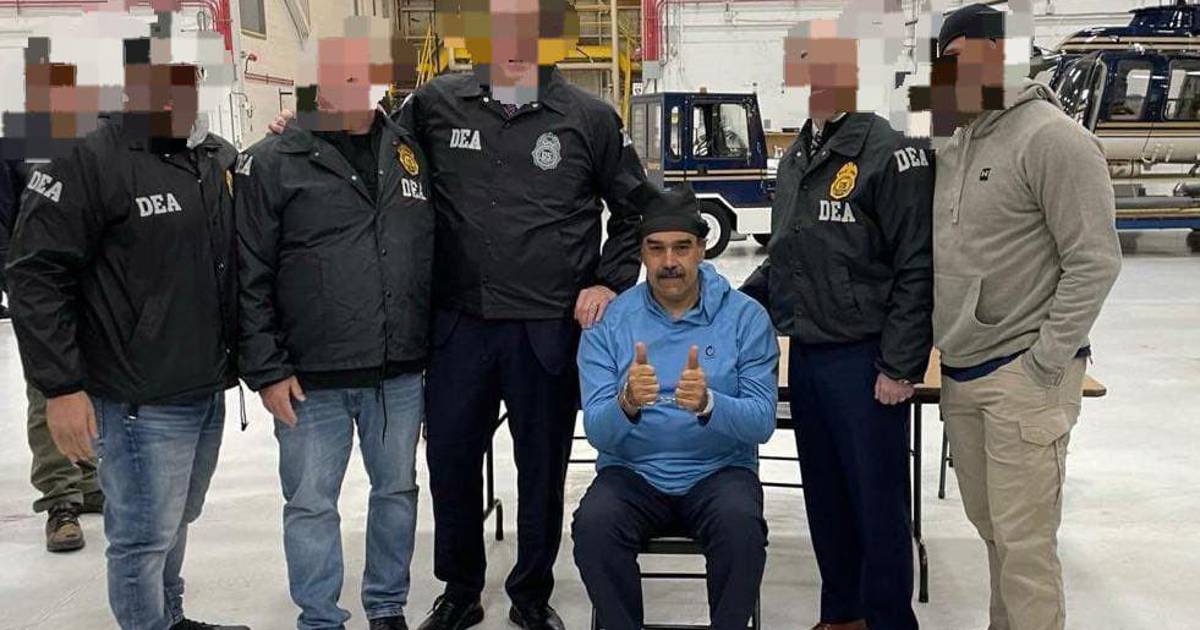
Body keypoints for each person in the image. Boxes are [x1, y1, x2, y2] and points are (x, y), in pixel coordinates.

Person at [5, 33, 246, 630]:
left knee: (176, 519)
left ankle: (170, 616)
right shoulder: (88, 157)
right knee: (142, 536)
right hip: (137, 395)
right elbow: (35, 274)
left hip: (204, 385)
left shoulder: (213, 157)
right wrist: (61, 387)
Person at [237, 21, 434, 630]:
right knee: (311, 504)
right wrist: (267, 370)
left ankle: (387, 606)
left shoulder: (408, 149)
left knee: (396, 493)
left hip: (397, 370)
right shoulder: (273, 160)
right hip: (309, 378)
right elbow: (248, 273)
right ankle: (321, 617)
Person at [741, 12, 934, 630]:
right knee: (825, 497)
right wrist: (726, 307)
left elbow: (917, 266)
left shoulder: (891, 154)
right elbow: (787, 255)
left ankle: (888, 620)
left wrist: (900, 365)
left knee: (876, 502)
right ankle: (843, 614)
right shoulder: (799, 155)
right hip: (809, 355)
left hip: (865, 358)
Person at [932, 5, 1122, 630]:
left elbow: (1095, 260)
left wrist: (1044, 361)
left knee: (1026, 546)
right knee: (993, 531)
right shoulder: (958, 139)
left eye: (956, 58)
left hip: (1023, 373)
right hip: (962, 368)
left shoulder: (1054, 139)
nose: (946, 74)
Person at [572, 185, 777, 630]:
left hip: (719, 471)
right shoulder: (609, 322)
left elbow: (762, 422)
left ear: (702, 248)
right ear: (641, 254)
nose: (669, 261)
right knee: (593, 526)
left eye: (682, 247)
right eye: (656, 248)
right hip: (632, 474)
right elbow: (598, 432)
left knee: (741, 528)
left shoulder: (745, 318)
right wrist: (626, 403)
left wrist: (709, 404)